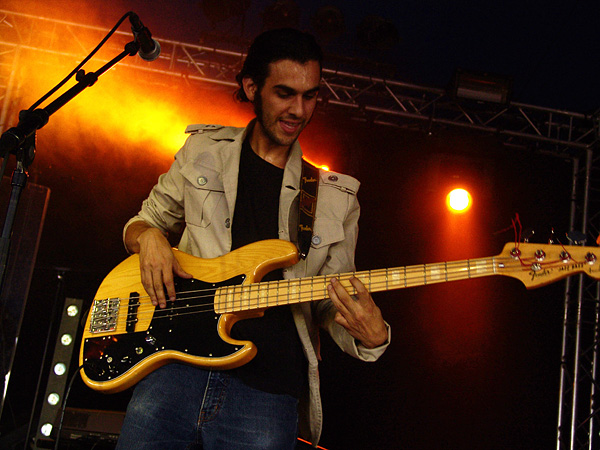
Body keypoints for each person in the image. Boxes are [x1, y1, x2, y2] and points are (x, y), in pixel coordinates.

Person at [115, 28, 390, 450]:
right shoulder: (203, 151)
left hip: (266, 392)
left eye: (310, 96)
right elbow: (142, 222)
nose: (299, 110)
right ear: (250, 87)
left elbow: (328, 300)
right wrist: (149, 235)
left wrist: (371, 335)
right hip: (173, 370)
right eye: (285, 93)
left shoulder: (335, 199)